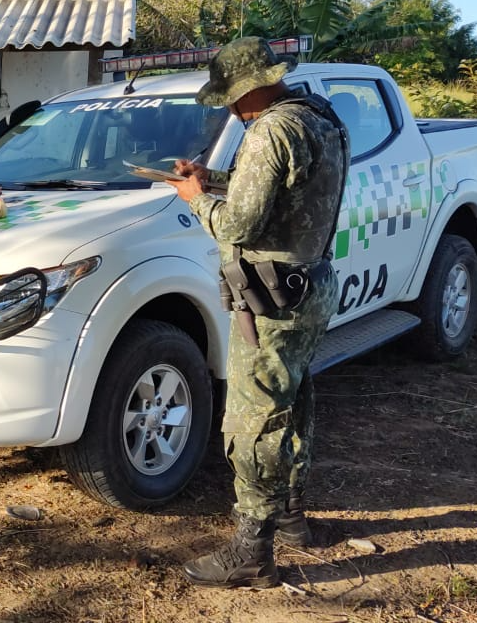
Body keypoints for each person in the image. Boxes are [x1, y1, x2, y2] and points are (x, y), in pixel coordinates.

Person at [165, 37, 350, 589]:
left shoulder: (270, 129)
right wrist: (211, 178)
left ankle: (251, 551)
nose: (229, 108)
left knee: (254, 420)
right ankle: (290, 515)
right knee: (292, 403)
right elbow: (288, 193)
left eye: (232, 97)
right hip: (310, 285)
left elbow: (241, 226)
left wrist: (195, 199)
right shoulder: (319, 117)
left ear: (252, 88)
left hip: (270, 298)